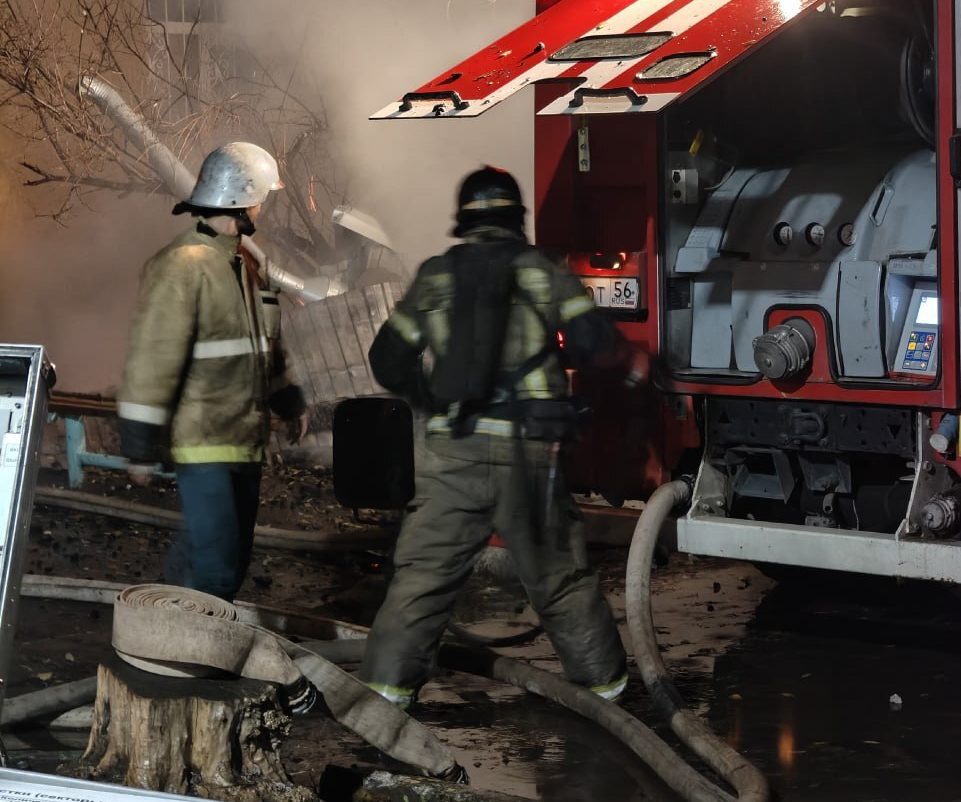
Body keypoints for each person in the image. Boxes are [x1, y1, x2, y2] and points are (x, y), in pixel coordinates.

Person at [359, 165, 645, 709]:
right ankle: (609, 702)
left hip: (452, 456)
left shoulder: (435, 276)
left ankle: (381, 707)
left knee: (420, 582)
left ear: (463, 222)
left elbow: (388, 359)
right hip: (528, 456)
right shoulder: (544, 271)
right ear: (517, 219)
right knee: (560, 581)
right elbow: (591, 341)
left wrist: (429, 400)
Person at [117, 141, 309, 601]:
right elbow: (152, 358)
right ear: (242, 198)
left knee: (222, 561)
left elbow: (267, 346)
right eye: (263, 195)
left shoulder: (243, 263)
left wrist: (289, 401)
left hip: (244, 441)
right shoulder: (181, 266)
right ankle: (183, 663)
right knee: (217, 574)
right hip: (203, 443)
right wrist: (140, 446)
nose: (265, 206)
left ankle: (160, 623)